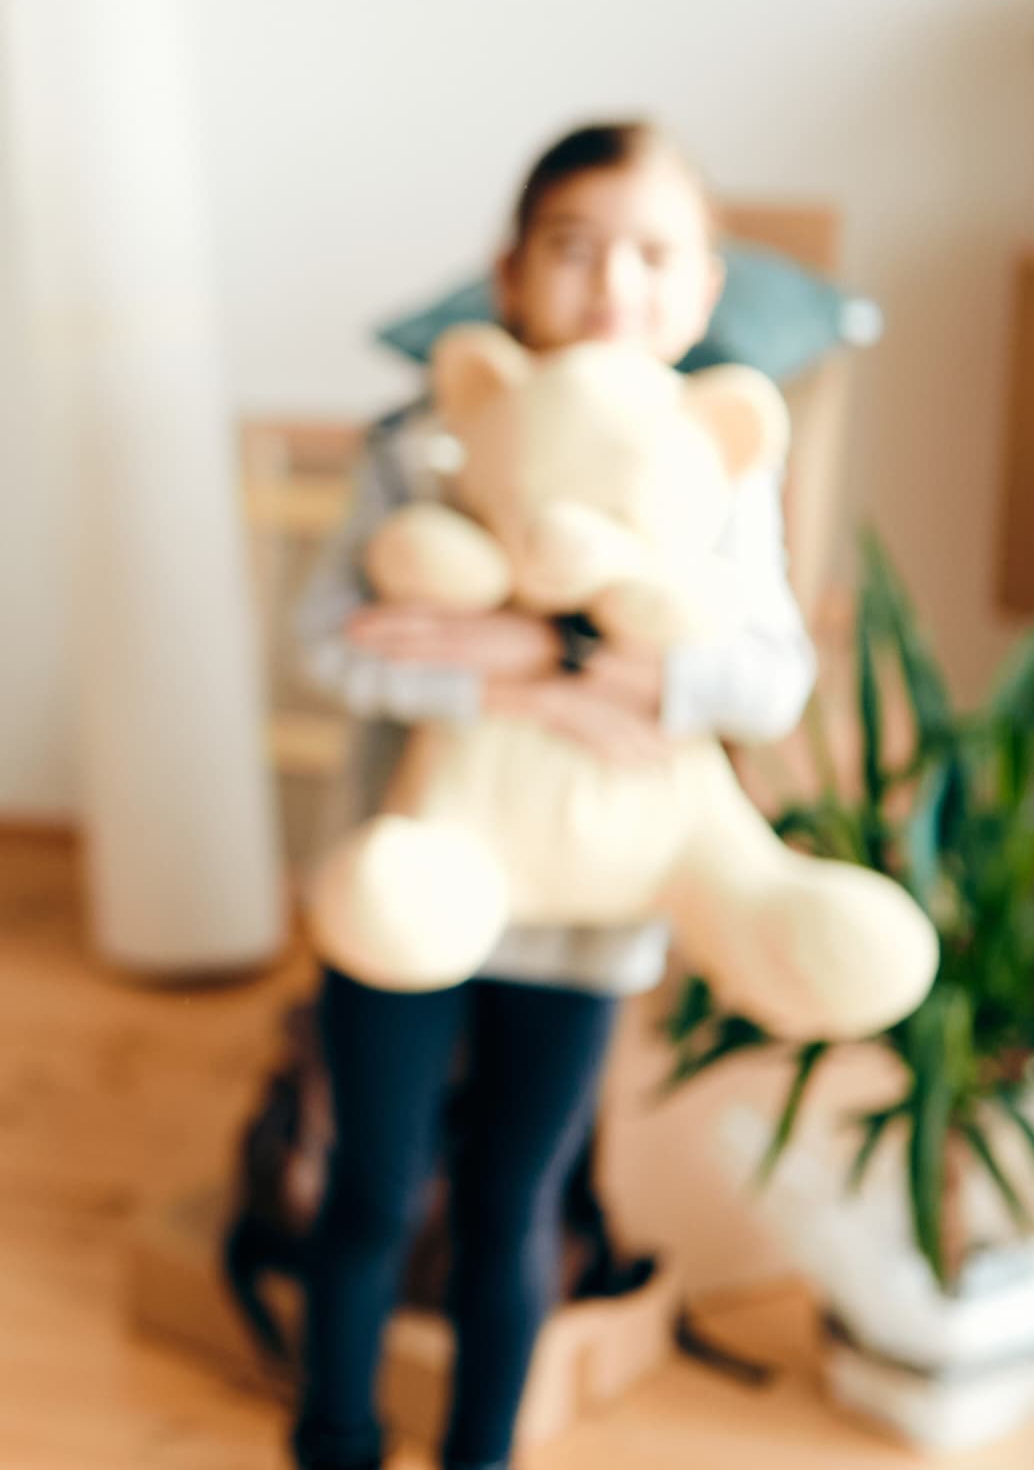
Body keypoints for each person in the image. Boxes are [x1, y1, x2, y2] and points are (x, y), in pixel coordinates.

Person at [286, 122, 814, 1470]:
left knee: (515, 1200)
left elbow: (762, 677)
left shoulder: (719, 466)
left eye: (651, 254)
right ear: (507, 274)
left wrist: (553, 645)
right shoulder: (419, 444)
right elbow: (332, 642)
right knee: (369, 1186)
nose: (610, 284)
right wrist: (537, 688)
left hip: (586, 910)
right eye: (573, 249)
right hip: (411, 875)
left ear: (701, 290)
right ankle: (332, 1436)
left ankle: (481, 1450)